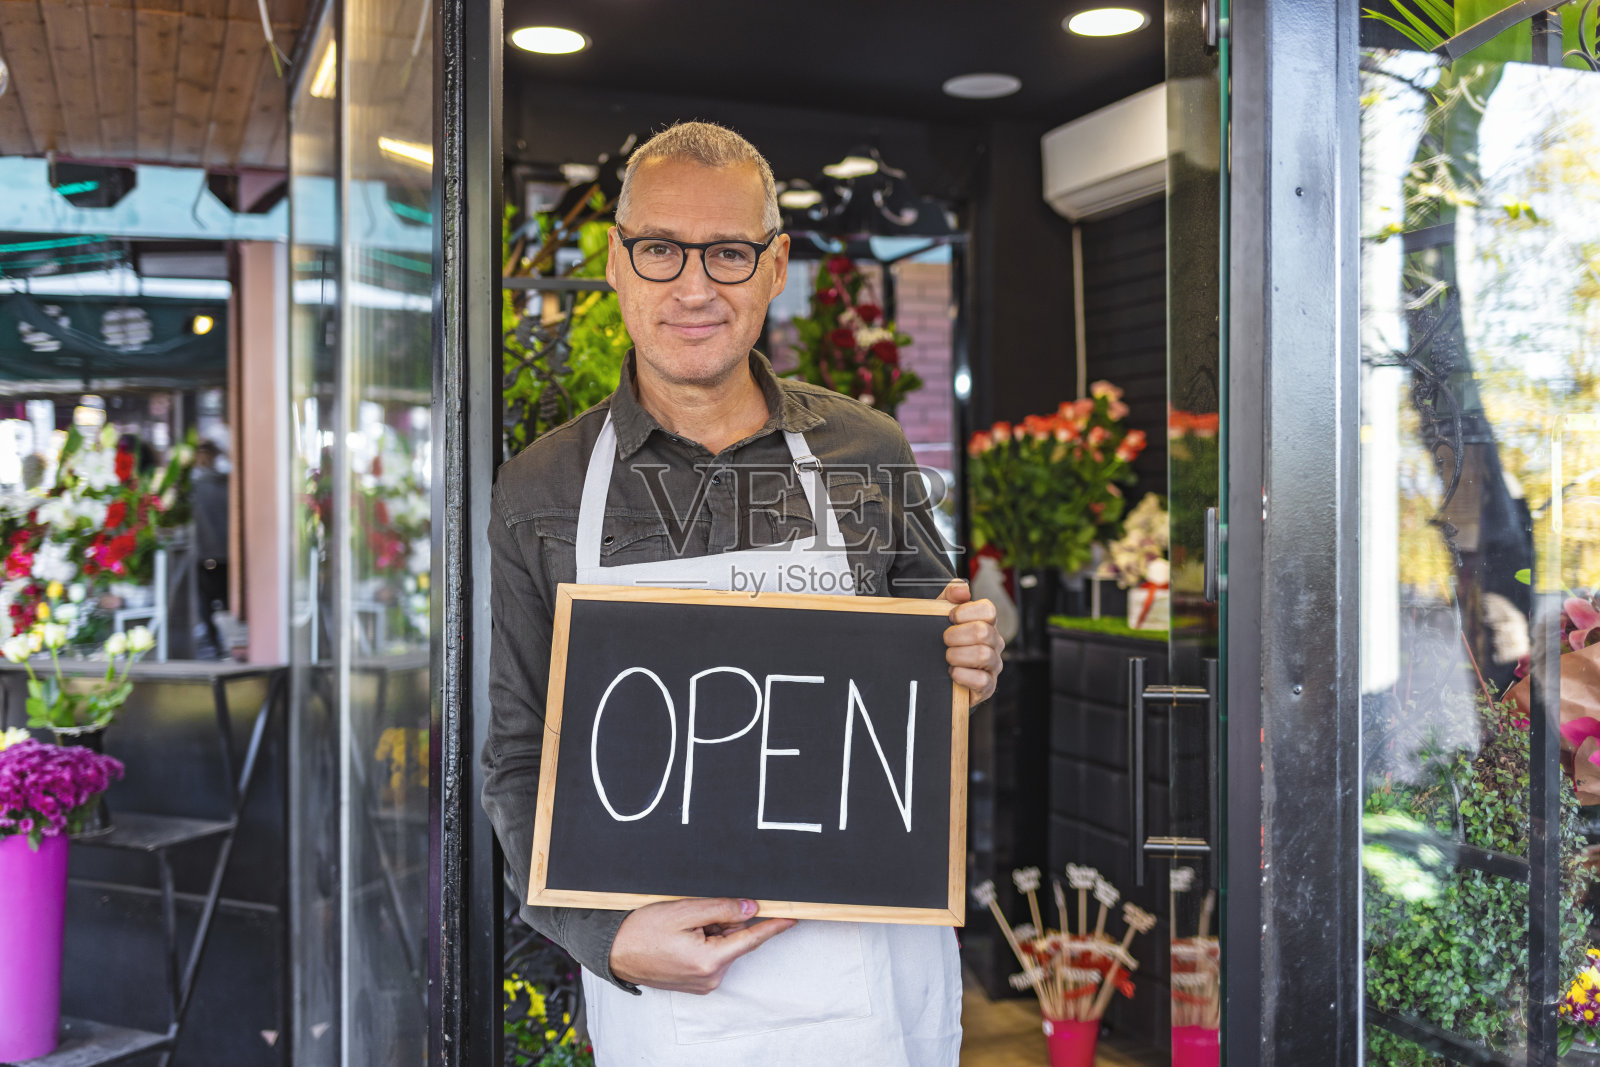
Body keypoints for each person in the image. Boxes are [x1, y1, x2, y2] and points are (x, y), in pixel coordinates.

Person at [482, 121, 1004, 1066]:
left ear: (774, 267)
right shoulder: (542, 490)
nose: (693, 285)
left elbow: (939, 677)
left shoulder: (868, 449)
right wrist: (601, 939)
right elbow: (519, 755)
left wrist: (972, 656)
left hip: (874, 977)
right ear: (616, 261)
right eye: (660, 250)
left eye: (728, 252)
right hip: (672, 997)